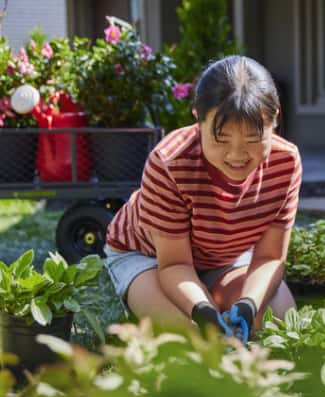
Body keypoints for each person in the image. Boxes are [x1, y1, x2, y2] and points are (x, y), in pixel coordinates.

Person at [104, 55, 302, 341]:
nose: (236, 155)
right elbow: (174, 265)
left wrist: (248, 305)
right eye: (221, 139)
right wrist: (202, 311)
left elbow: (270, 257)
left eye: (251, 139)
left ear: (274, 120)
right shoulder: (169, 162)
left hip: (224, 256)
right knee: (191, 338)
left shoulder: (286, 162)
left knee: (279, 318)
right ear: (198, 117)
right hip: (148, 255)